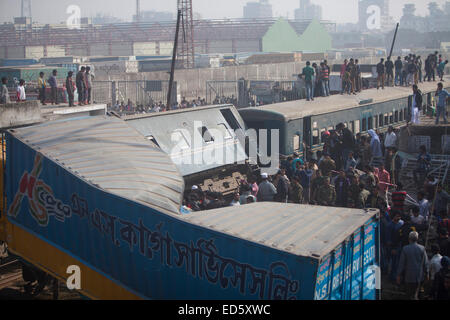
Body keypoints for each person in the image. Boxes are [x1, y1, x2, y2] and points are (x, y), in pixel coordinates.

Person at [396, 231, 429, 300]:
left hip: (409, 277)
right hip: (420, 276)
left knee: (409, 295)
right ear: (417, 239)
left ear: (409, 239)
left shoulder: (405, 249)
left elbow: (402, 263)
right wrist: (427, 274)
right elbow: (425, 263)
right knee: (417, 293)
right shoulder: (422, 248)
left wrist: (399, 275)